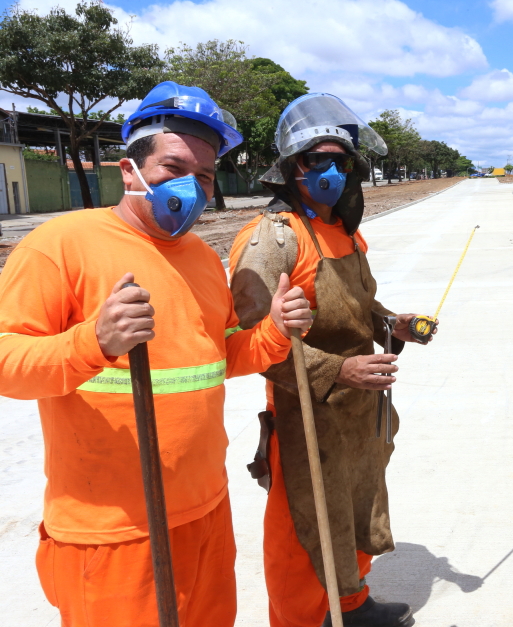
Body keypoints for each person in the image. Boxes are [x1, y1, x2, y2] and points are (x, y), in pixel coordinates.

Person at [0, 81, 313, 626]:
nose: (193, 186)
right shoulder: (60, 244)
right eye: (175, 168)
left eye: (208, 175)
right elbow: (7, 363)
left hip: (204, 512)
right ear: (130, 171)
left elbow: (220, 357)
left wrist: (277, 332)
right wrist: (92, 343)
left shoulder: (199, 258)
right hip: (115, 530)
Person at [228, 93, 432, 627]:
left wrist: (394, 324)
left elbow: (362, 307)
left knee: (356, 507)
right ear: (293, 168)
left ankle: (352, 605)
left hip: (358, 411)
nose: (331, 171)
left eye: (340, 161)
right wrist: (338, 370)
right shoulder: (270, 239)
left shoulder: (342, 230)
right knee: (305, 529)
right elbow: (253, 342)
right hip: (304, 415)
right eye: (317, 159)